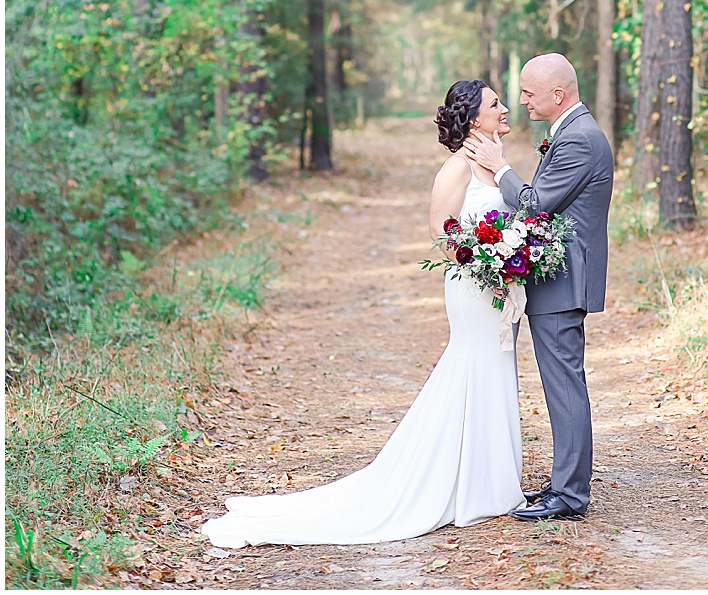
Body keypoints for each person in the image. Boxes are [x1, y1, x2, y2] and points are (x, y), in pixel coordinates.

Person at [200, 78, 525, 549]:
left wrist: (511, 259)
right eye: (496, 104)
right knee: (474, 364)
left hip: (498, 286)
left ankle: (488, 480)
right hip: (473, 285)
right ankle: (468, 484)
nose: (505, 108)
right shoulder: (456, 168)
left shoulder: (496, 165)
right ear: (475, 118)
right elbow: (441, 230)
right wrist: (484, 262)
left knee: (496, 368)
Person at [464, 52, 613, 521]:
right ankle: (565, 483)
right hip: (557, 277)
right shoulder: (571, 132)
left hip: (564, 280)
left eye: (529, 93)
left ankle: (569, 496)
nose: (521, 100)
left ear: (558, 94)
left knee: (564, 386)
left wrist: (500, 166)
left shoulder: (581, 140)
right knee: (562, 384)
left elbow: (535, 207)